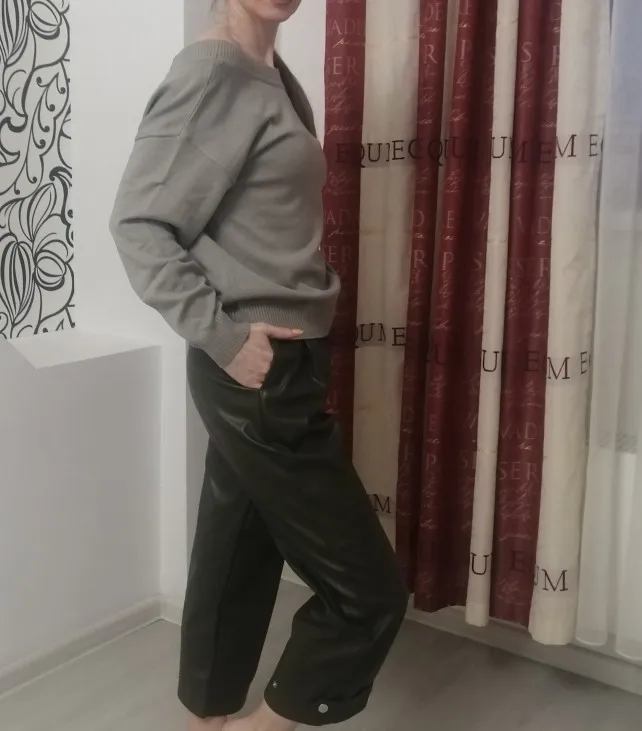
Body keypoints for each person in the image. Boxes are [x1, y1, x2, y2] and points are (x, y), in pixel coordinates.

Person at [109, 1, 408, 729]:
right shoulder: (213, 74)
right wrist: (223, 336)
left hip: (280, 357)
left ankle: (206, 719)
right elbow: (139, 223)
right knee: (369, 592)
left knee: (234, 551)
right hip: (257, 367)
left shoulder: (269, 72)